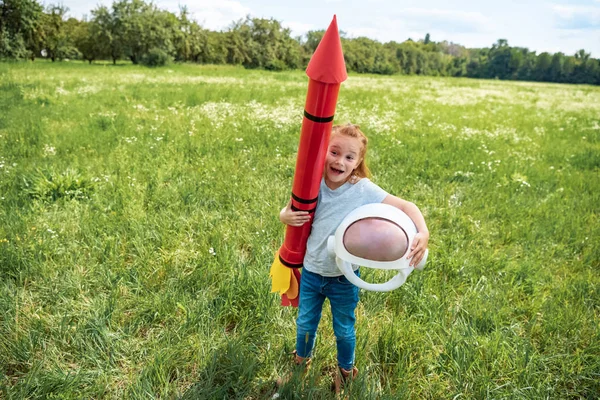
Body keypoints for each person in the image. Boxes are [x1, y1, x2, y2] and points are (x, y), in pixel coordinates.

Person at [278, 123, 429, 393]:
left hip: (343, 277)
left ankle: (346, 372)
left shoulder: (362, 189)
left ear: (358, 162)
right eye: (334, 152)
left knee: (344, 329)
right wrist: (284, 216)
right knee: (304, 323)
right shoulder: (312, 181)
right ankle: (300, 365)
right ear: (323, 152)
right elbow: (289, 209)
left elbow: (407, 206)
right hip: (312, 271)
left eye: (349, 157)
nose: (340, 161)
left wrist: (423, 231)